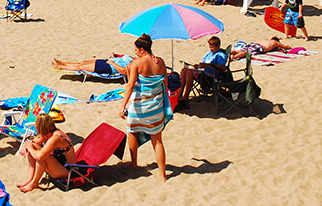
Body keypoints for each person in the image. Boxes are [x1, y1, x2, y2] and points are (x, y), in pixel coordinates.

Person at [118, 34, 169, 182]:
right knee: (157, 140)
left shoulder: (137, 64)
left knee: (132, 132)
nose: (135, 53)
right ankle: (163, 174)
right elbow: (165, 84)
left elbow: (130, 85)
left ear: (142, 49)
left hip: (139, 107)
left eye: (135, 50)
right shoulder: (160, 62)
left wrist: (123, 105)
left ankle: (134, 164)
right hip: (156, 106)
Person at [17, 113, 77, 193]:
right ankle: (30, 179)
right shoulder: (49, 132)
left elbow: (40, 156)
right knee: (33, 146)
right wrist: (26, 146)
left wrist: (30, 148)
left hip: (67, 172)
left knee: (42, 155)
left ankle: (34, 183)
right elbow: (34, 142)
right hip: (58, 165)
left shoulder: (56, 138)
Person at [178, 36, 227, 106]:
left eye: (212, 47)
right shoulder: (209, 53)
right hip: (204, 73)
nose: (211, 49)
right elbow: (204, 64)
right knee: (184, 70)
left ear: (218, 45)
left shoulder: (220, 55)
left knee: (190, 72)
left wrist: (208, 65)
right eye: (210, 47)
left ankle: (186, 96)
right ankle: (179, 94)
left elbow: (222, 67)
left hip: (212, 77)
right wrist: (198, 66)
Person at [52, 52, 134, 75]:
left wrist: (112, 63)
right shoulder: (134, 58)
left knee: (82, 67)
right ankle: (64, 64)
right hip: (107, 61)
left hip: (109, 67)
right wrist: (115, 56)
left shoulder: (136, 65)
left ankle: (60, 67)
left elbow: (124, 71)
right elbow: (122, 56)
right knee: (82, 63)